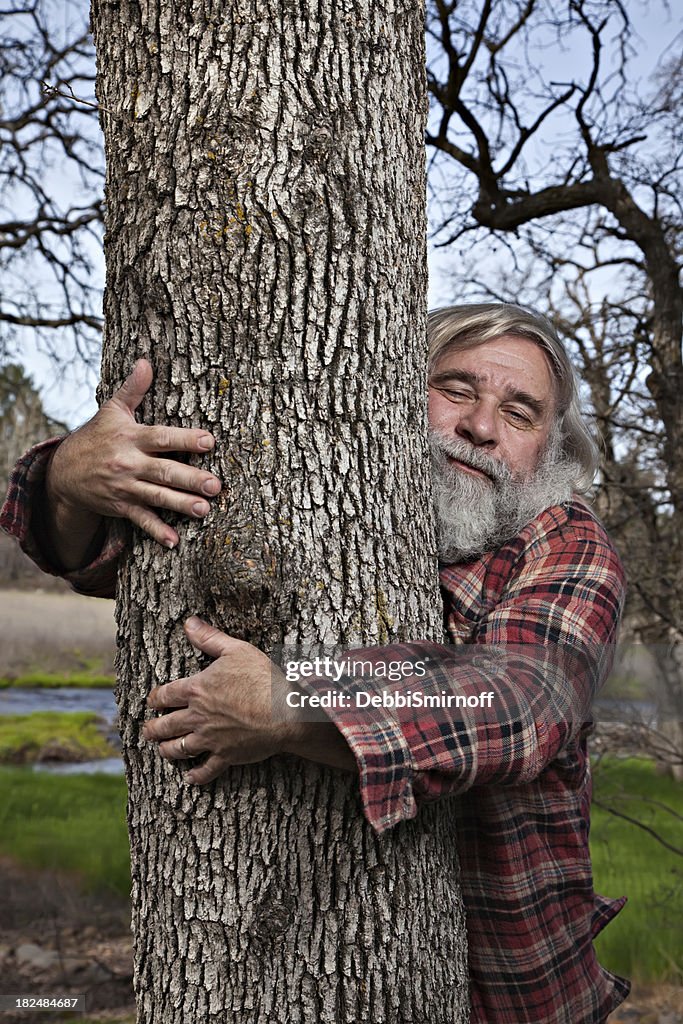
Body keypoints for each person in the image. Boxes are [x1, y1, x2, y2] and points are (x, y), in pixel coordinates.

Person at [1, 303, 629, 1023]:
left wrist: (293, 700)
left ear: (549, 448)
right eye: (454, 389)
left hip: (518, 992)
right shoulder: (323, 486)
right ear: (385, 385)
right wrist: (68, 478)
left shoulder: (565, 540)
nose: (480, 427)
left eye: (519, 413)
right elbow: (108, 551)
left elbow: (523, 698)